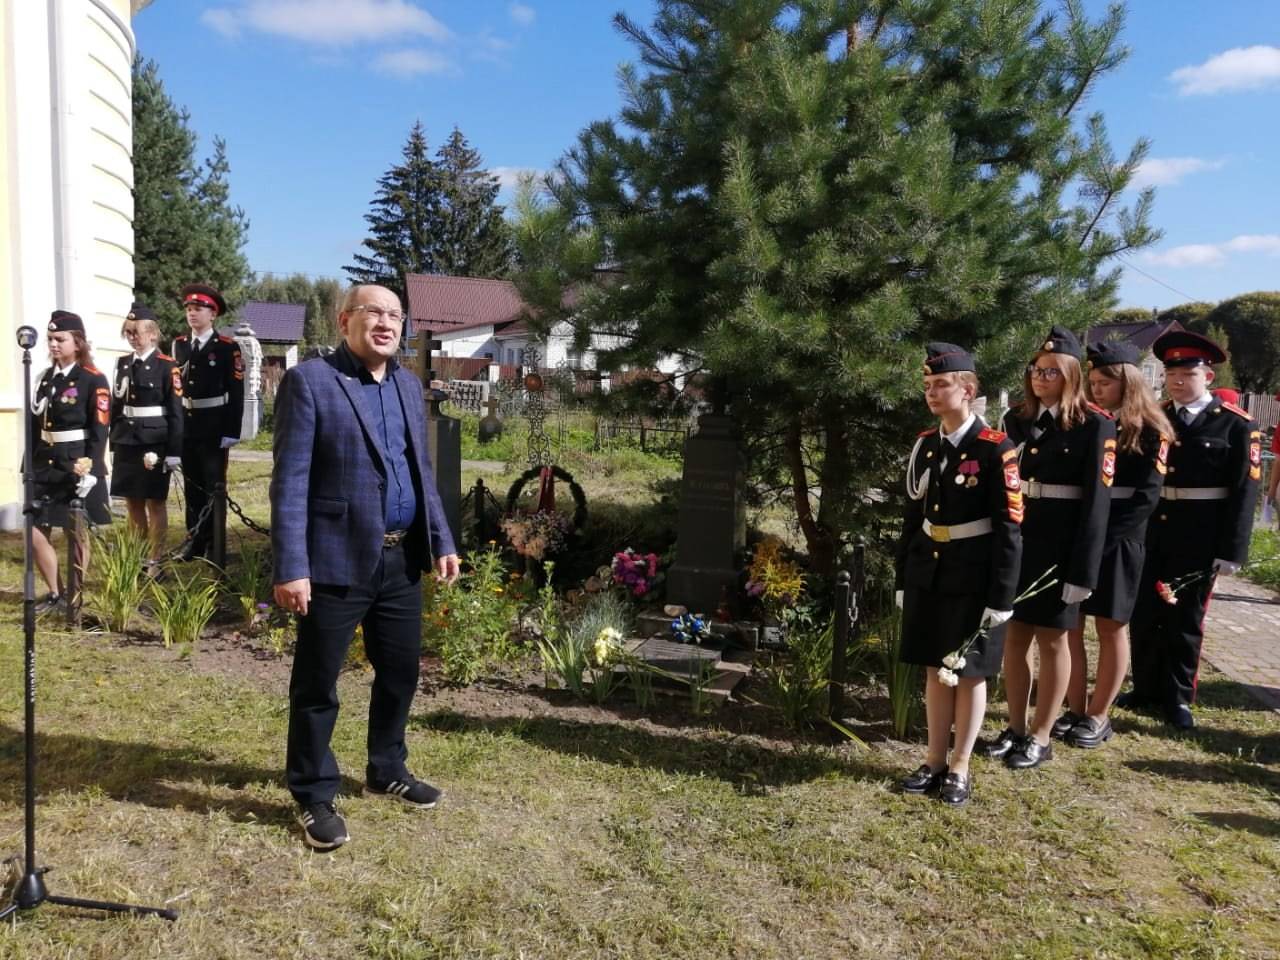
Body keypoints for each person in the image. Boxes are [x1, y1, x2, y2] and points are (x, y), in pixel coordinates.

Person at [270, 283, 461, 851]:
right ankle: (312, 792)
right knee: (317, 684)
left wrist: (441, 538)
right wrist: (291, 566)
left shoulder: (406, 384)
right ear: (344, 320)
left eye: (395, 315)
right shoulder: (311, 382)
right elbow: (290, 481)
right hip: (334, 559)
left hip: (400, 560)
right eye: (373, 312)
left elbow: (420, 471)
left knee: (401, 672)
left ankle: (386, 768)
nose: (386, 323)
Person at [980, 325, 1115, 769]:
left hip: (1062, 549)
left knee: (1054, 641)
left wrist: (1084, 571)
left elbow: (1097, 506)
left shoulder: (1096, 425)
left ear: (1072, 375)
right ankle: (1016, 727)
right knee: (1015, 638)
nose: (1040, 377)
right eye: (1036, 369)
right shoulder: (1015, 420)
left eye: (1051, 371)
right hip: (1020, 545)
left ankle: (1041, 734)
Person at [894, 343, 1022, 805]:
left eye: (942, 384)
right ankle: (933, 759)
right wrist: (903, 579)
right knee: (936, 667)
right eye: (928, 385)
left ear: (967, 389)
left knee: (968, 673)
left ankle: (961, 766)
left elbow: (1010, 529)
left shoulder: (994, 448)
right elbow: (913, 518)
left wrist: (1001, 597)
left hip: (974, 575)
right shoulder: (926, 445)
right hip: (930, 570)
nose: (932, 392)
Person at [1121, 330, 1260, 730]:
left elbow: (1245, 492)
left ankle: (1177, 697)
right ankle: (1145, 688)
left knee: (1185, 619)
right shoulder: (1157, 416)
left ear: (1208, 377)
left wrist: (1232, 549)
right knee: (1144, 614)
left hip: (1200, 535)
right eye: (1171, 374)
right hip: (1153, 530)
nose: (1178, 381)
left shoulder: (1235, 425)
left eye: (1187, 374)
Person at [1060, 341, 1173, 748]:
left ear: (1128, 383)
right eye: (1092, 383)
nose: (1096, 390)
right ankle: (1074, 707)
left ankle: (1098, 714)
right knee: (1070, 624)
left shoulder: (1152, 429)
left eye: (1104, 383)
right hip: (1082, 535)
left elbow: (1146, 497)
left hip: (1120, 540)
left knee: (1110, 627)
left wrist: (1104, 539)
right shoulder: (1087, 423)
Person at [28, 311, 112, 613]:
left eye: (60, 339)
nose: (53, 344)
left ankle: (74, 595)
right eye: (50, 339)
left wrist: (91, 464)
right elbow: (35, 424)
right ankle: (55, 592)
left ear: (77, 342)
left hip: (76, 462)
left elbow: (100, 426)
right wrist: (29, 465)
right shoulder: (44, 378)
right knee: (34, 529)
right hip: (45, 463)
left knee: (75, 530)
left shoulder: (92, 378)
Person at [171, 283, 243, 561]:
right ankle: (194, 541)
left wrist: (232, 430)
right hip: (187, 426)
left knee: (214, 487)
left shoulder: (226, 347)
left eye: (198, 309)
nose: (192, 313)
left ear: (213, 314)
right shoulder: (179, 345)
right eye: (189, 309)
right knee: (192, 486)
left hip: (214, 426)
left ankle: (215, 544)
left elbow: (236, 392)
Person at [110, 303, 183, 563]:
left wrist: (174, 451)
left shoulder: (167, 366)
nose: (131, 337)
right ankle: (137, 558)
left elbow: (176, 412)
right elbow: (116, 405)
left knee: (155, 502)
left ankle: (155, 559)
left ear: (152, 334)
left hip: (154, 441)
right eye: (128, 332)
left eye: (136, 332)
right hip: (126, 440)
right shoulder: (122, 364)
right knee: (132, 502)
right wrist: (113, 443)